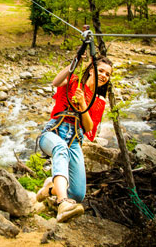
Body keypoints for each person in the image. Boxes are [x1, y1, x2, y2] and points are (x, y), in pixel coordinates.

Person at [36, 56, 113, 222]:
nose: (104, 75)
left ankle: (49, 190)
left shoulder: (99, 100)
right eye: (101, 70)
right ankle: (62, 203)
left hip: (75, 139)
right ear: (91, 69)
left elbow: (89, 127)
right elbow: (56, 82)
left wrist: (83, 104)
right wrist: (75, 62)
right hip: (54, 131)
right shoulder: (74, 81)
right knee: (60, 148)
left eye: (107, 74)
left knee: (78, 194)